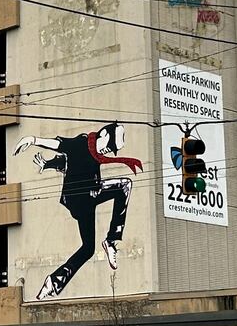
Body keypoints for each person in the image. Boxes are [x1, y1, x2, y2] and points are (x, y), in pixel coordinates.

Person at [14, 122, 142, 300]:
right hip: (79, 198)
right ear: (103, 134)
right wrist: (33, 140)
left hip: (88, 201)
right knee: (124, 185)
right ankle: (112, 240)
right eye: (110, 146)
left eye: (112, 149)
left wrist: (48, 165)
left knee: (88, 248)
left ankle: (53, 282)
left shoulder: (95, 154)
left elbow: (65, 162)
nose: (108, 152)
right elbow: (59, 145)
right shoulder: (81, 143)